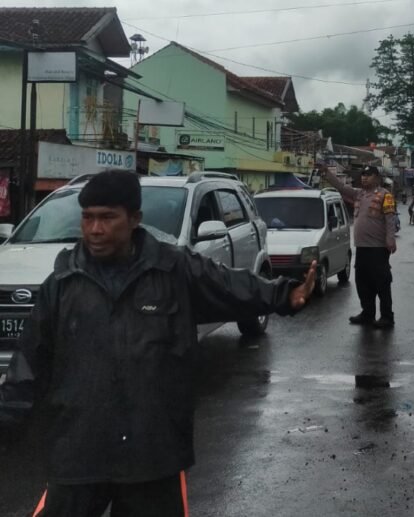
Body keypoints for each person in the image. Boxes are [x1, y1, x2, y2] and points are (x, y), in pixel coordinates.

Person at [0, 170, 316, 517]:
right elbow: (30, 363)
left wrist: (285, 294)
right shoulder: (61, 282)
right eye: (87, 217)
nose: (95, 229)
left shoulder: (173, 269)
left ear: (135, 219)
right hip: (78, 450)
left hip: (152, 452)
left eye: (107, 218)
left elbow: (229, 286)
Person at [322, 165, 397, 329]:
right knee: (363, 282)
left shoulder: (386, 195)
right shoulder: (359, 194)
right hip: (362, 248)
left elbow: (390, 219)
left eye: (368, 175)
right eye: (363, 175)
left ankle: (386, 317)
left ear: (377, 177)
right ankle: (367, 313)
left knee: (382, 283)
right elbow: (341, 187)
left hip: (378, 248)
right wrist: (327, 173)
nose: (364, 178)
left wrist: (390, 239)